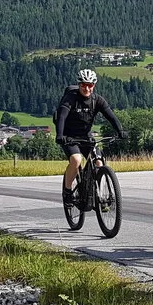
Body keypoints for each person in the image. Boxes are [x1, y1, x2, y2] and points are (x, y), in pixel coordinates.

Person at [54, 69, 125, 206]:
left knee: (99, 162)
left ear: (94, 85)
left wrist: (120, 130)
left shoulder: (97, 100)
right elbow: (61, 117)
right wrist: (60, 135)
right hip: (69, 137)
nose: (87, 88)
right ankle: (68, 192)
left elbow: (111, 116)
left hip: (86, 136)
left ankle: (98, 194)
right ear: (79, 84)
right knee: (76, 160)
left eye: (90, 85)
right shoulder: (71, 98)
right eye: (83, 85)